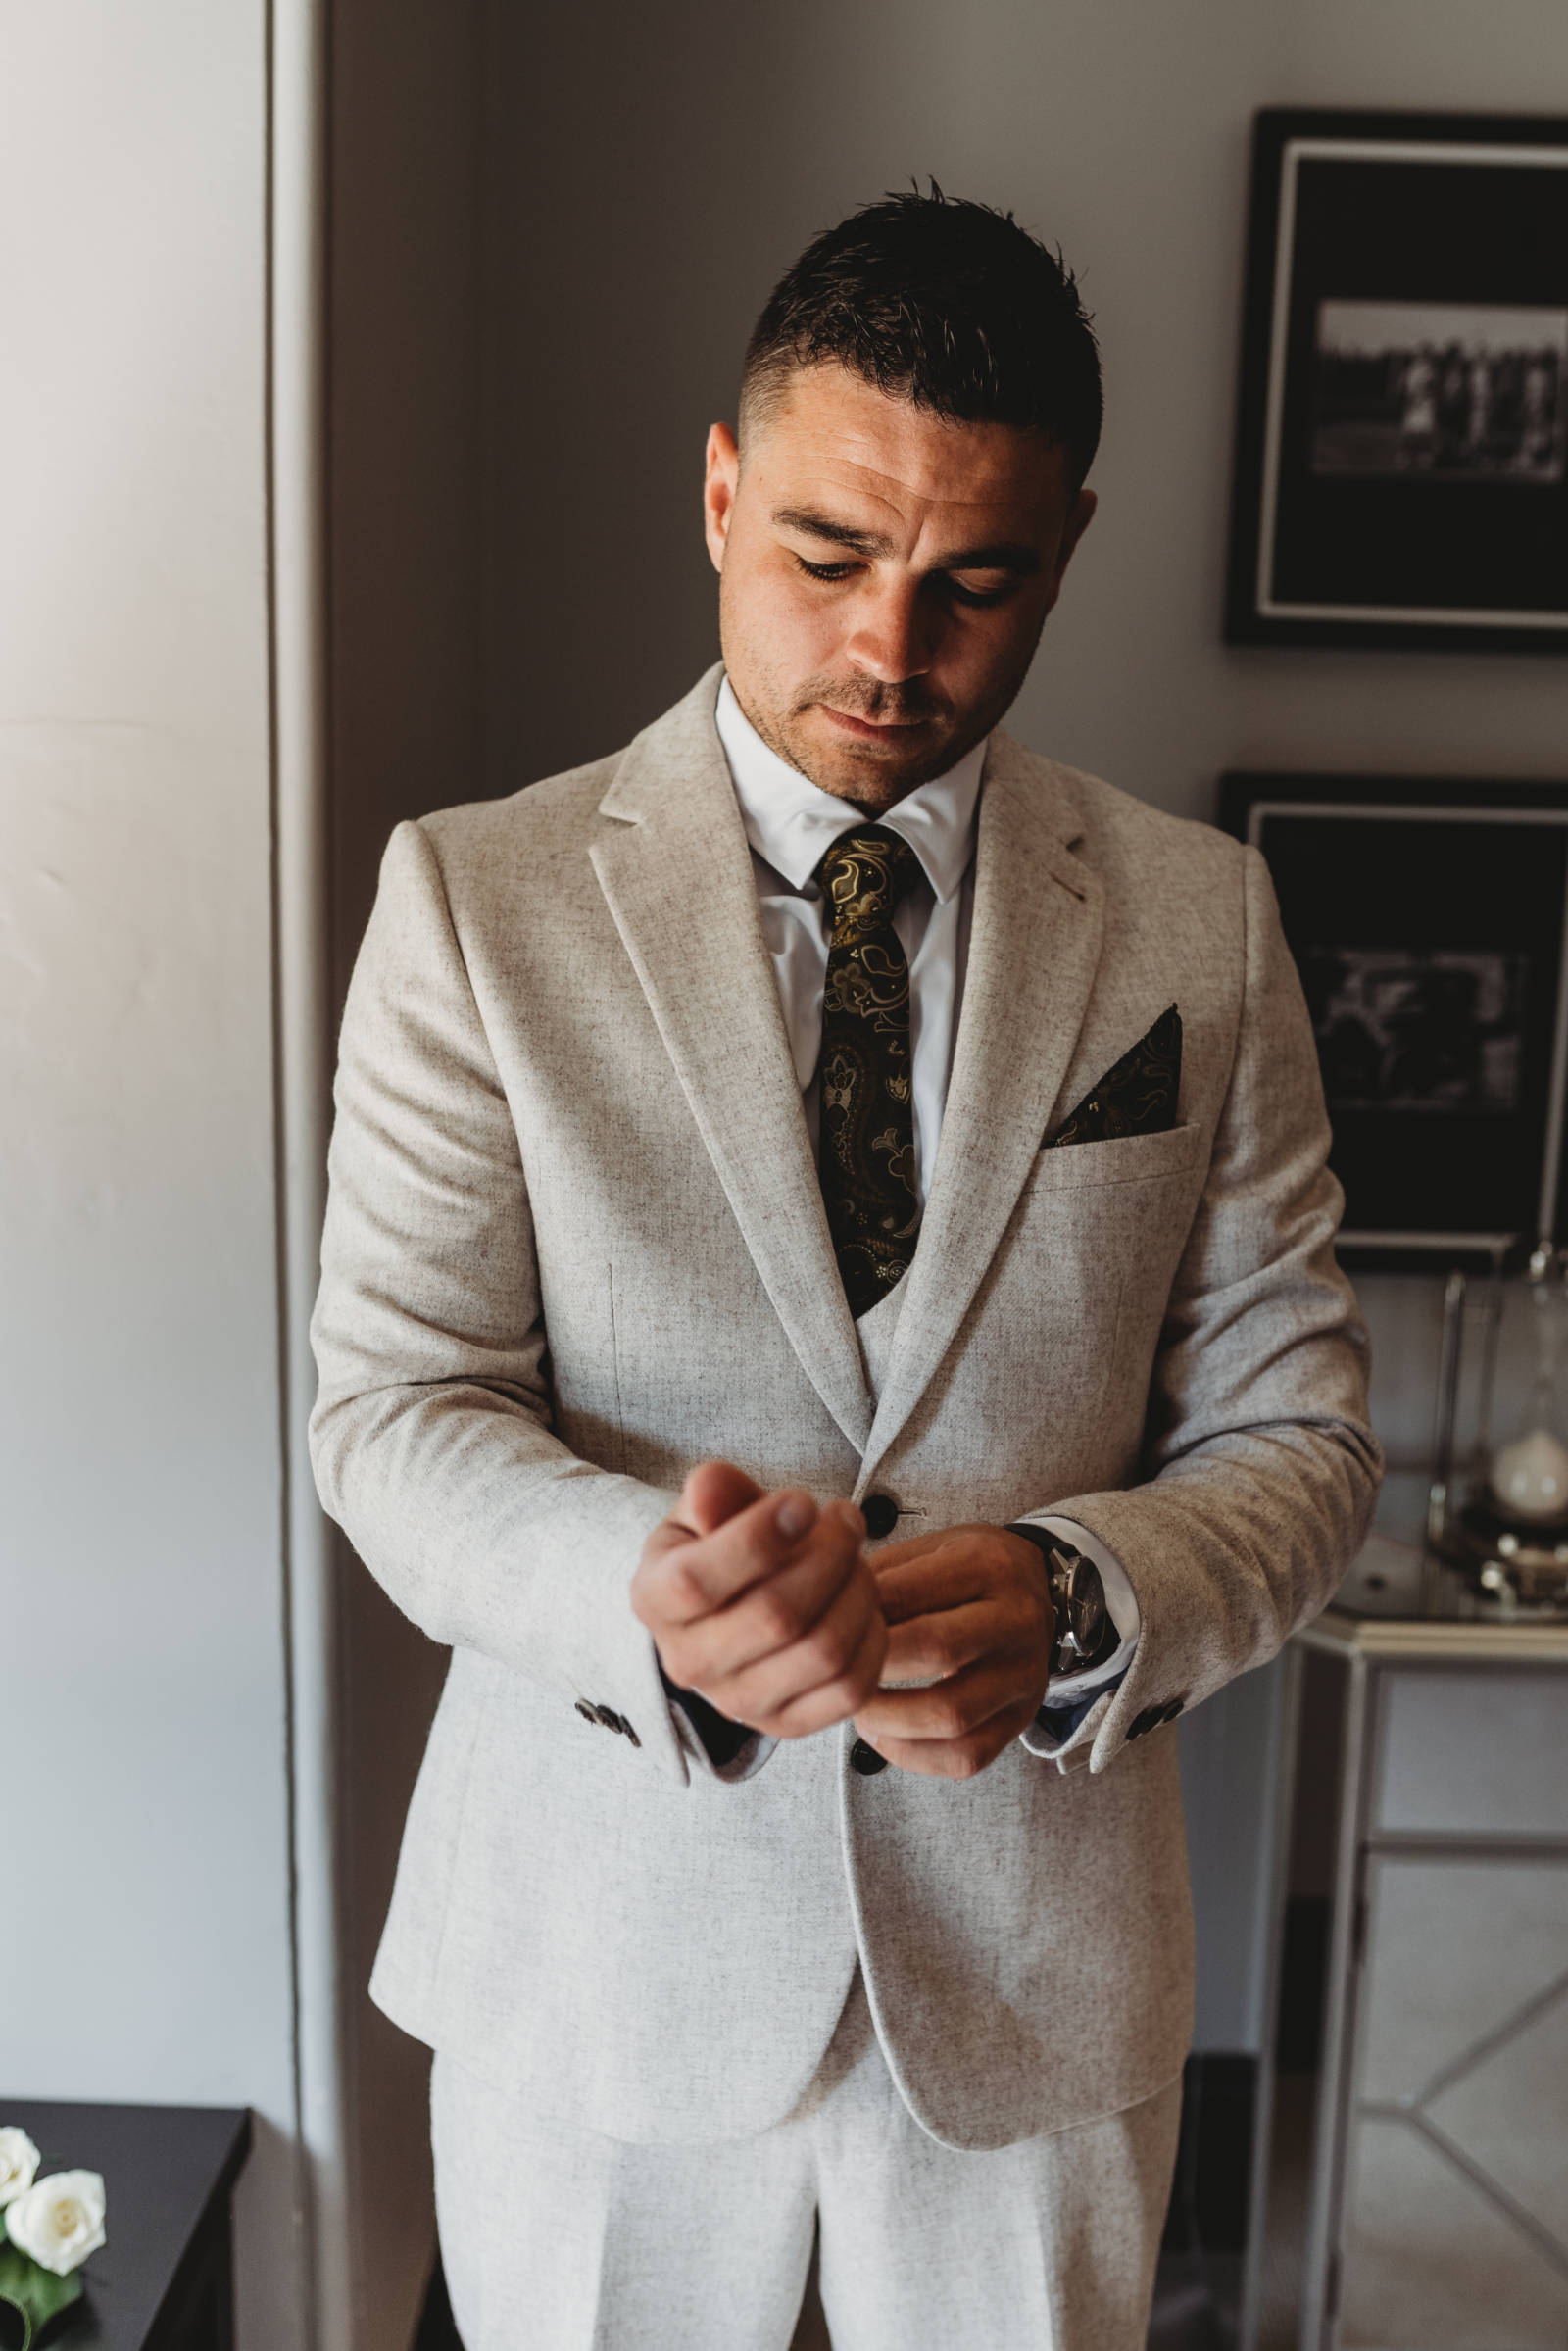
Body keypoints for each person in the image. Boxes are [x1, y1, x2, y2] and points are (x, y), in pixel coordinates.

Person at [310, 189, 1380, 2351]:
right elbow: (390, 1412)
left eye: (973, 579)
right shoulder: (473, 905)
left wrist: (1083, 1599)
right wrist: (651, 1599)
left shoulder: (1198, 929)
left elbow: (1305, 1438)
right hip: (598, 1970)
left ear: (1066, 545)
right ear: (717, 494)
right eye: (823, 555)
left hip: (1032, 2001)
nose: (891, 645)